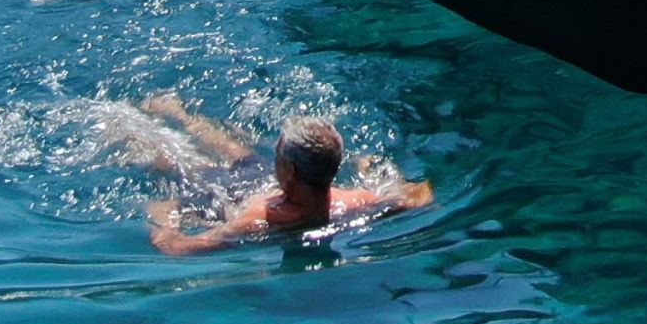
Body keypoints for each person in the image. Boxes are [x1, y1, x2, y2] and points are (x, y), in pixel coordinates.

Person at [131, 94, 433, 255]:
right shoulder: (359, 202)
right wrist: (377, 172)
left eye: (277, 154)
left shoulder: (255, 221)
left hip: (222, 192)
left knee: (169, 159)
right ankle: (178, 115)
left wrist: (163, 219)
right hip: (267, 184)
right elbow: (420, 195)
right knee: (239, 154)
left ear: (288, 170)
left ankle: (148, 117)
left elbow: (176, 248)